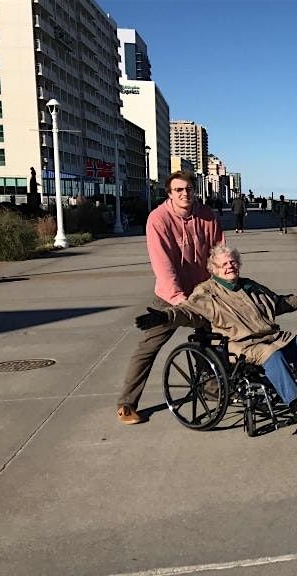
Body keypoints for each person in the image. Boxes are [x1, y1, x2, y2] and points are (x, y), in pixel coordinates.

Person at [134, 244, 297, 422]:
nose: (230, 266)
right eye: (224, 264)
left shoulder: (249, 286)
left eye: (232, 262)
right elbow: (187, 311)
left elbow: (275, 302)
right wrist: (165, 317)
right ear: (214, 269)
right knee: (272, 355)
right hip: (239, 343)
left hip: (267, 336)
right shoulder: (206, 292)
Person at [115, 170, 225, 425]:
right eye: (178, 190)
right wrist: (179, 301)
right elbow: (163, 264)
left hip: (203, 292)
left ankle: (211, 387)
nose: (184, 194)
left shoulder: (207, 216)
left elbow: (219, 252)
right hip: (170, 296)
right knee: (149, 346)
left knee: (211, 339)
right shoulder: (158, 219)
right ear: (169, 193)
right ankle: (127, 404)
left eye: (188, 189)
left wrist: (222, 286)